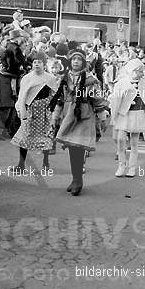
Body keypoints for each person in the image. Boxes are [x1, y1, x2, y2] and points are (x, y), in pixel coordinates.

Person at [50, 49, 108, 195]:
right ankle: (75, 178)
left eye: (79, 59)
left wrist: (102, 118)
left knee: (79, 147)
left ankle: (78, 181)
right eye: (74, 59)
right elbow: (59, 100)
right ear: (69, 62)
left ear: (83, 63)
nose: (76, 61)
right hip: (68, 116)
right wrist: (54, 117)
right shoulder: (64, 79)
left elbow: (98, 99)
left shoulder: (90, 79)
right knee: (72, 148)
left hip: (84, 115)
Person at [11, 51, 59, 173]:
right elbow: (22, 95)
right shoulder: (27, 78)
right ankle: (21, 164)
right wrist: (21, 109)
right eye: (35, 62)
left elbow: (55, 94)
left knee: (46, 136)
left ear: (44, 64)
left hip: (44, 110)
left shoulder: (50, 78)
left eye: (40, 62)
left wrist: (52, 108)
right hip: (30, 109)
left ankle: (46, 163)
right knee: (24, 136)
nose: (37, 64)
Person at [110, 58, 145, 178]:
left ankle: (132, 167)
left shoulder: (143, 84)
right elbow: (115, 99)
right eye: (138, 71)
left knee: (134, 142)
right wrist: (115, 113)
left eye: (141, 71)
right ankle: (121, 164)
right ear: (131, 71)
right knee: (121, 139)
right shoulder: (122, 83)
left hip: (137, 114)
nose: (141, 74)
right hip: (124, 114)